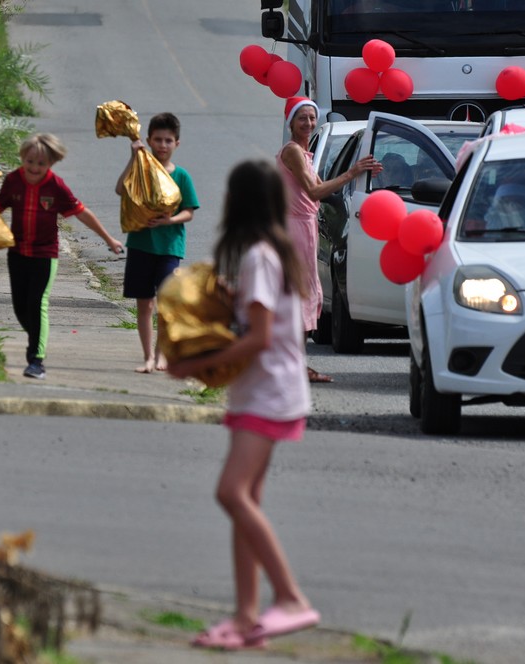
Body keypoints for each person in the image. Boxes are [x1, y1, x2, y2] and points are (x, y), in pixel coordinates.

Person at [168, 160, 320, 651]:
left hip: (268, 392)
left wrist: (193, 367)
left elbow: (256, 339)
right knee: (245, 503)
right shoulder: (273, 253)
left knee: (231, 495)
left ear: (239, 203)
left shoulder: (258, 256)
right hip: (270, 390)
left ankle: (291, 597)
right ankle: (245, 617)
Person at [0, 133, 124, 380]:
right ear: (23, 158)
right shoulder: (13, 180)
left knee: (37, 303)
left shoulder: (57, 186)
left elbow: (82, 213)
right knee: (20, 307)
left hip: (45, 254)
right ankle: (36, 340)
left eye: (41, 164)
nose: (34, 168)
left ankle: (36, 361)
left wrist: (109, 239)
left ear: (51, 164)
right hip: (17, 252)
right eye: (30, 161)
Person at [277, 96, 381, 383]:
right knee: (300, 295)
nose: (309, 123)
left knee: (308, 295)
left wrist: (362, 174)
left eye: (312, 118)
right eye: (302, 118)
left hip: (305, 227)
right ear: (291, 122)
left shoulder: (303, 152)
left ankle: (296, 365)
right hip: (295, 229)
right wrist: (352, 172)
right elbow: (313, 192)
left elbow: (318, 187)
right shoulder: (293, 152)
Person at [115, 112, 200, 374]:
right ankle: (147, 357)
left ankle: (161, 355)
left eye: (168, 140)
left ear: (177, 143)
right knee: (144, 304)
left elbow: (189, 211)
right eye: (158, 140)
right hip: (140, 245)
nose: (163, 145)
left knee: (165, 306)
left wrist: (169, 220)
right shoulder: (140, 169)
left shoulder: (182, 176)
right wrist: (133, 157)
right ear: (149, 140)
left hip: (169, 248)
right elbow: (120, 189)